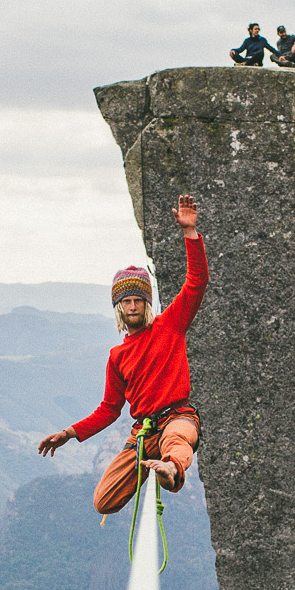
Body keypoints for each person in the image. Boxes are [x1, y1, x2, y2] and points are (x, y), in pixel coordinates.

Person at [39, 194, 209, 514]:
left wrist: (190, 234)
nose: (133, 306)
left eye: (138, 300)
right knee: (104, 502)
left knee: (178, 440)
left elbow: (197, 283)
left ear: (147, 303)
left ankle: (170, 471)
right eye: (126, 301)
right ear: (118, 307)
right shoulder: (117, 357)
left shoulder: (169, 326)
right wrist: (69, 434)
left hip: (177, 416)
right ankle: (157, 465)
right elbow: (108, 409)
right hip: (142, 433)